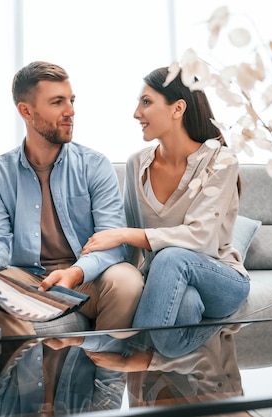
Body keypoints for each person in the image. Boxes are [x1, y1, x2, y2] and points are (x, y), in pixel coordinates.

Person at [81, 66, 250, 357]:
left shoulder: (221, 161)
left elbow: (199, 238)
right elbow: (132, 253)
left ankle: (137, 355)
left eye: (146, 102)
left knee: (171, 257)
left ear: (177, 108)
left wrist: (123, 234)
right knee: (184, 303)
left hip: (220, 278)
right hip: (166, 281)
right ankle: (168, 390)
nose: (136, 113)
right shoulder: (137, 164)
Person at [0, 61, 143, 336]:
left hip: (86, 278)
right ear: (26, 110)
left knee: (127, 280)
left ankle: (104, 373)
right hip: (28, 277)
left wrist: (75, 273)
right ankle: (24, 369)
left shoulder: (95, 165)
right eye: (57, 102)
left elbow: (112, 242)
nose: (70, 111)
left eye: (71, 100)